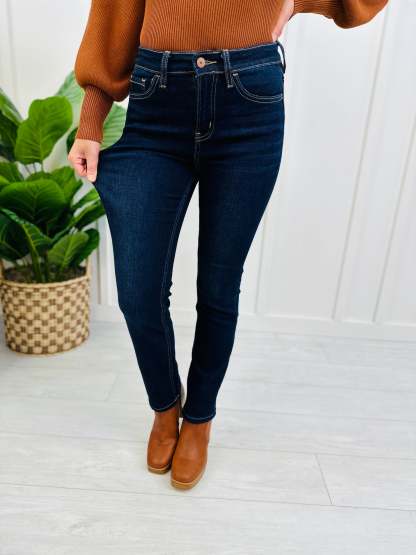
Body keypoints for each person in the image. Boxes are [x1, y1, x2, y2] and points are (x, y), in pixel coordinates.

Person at [68, 0, 388, 490]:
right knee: (136, 291)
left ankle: (199, 417)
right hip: (157, 98)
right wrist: (91, 121)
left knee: (219, 286)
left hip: (249, 100)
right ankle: (165, 405)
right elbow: (115, 10)